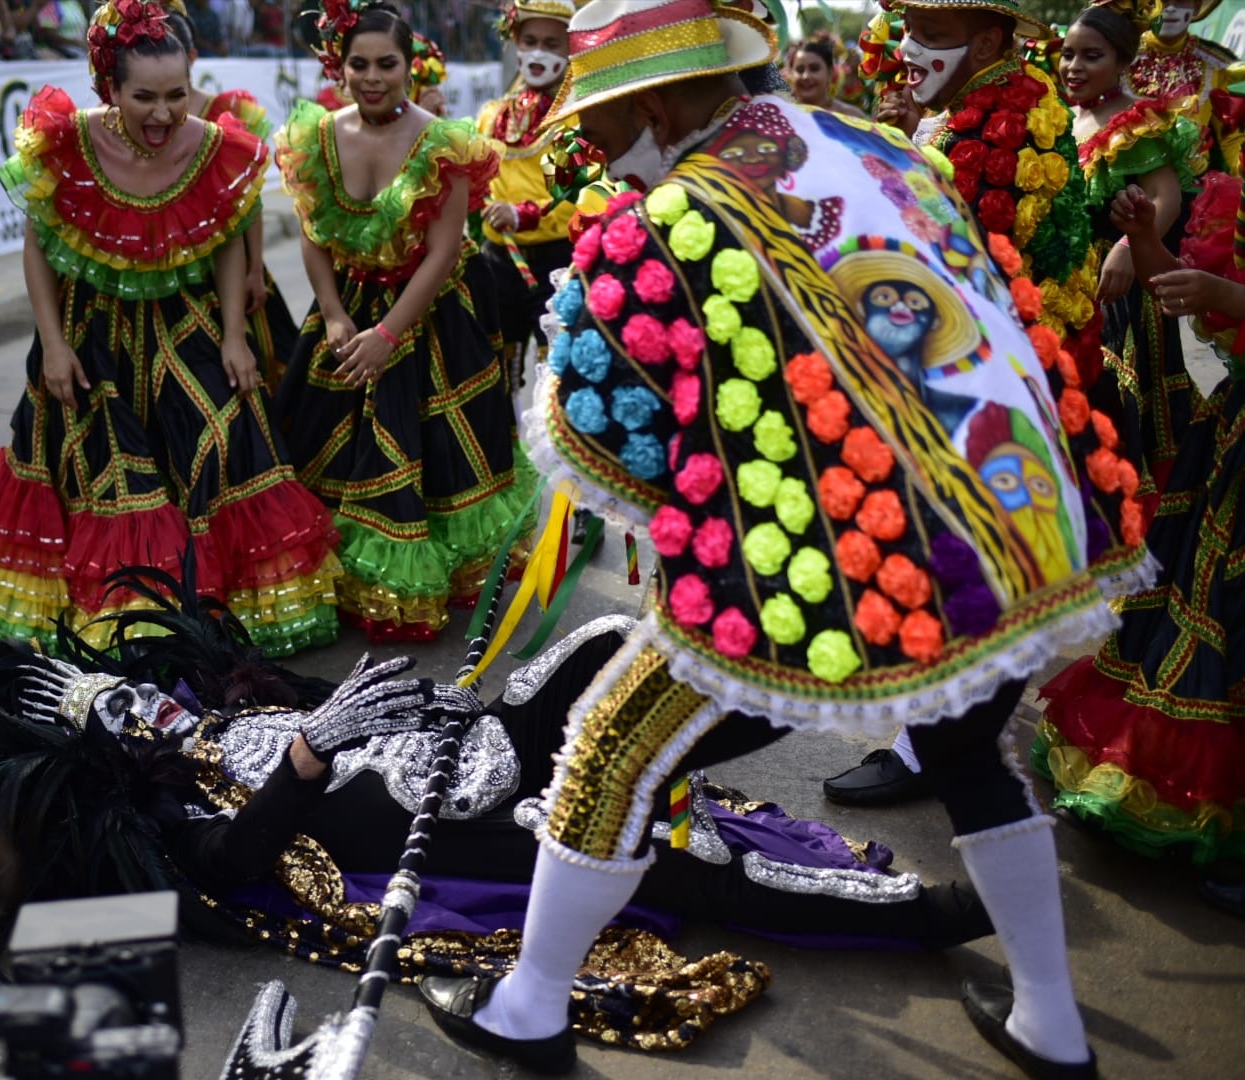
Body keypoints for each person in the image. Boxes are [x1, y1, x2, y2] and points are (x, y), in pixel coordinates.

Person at [416, 3, 1141, 1076]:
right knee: (969, 757)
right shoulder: (872, 142)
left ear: (657, 101)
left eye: (601, 120)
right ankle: (1051, 1022)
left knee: (612, 749)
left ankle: (525, 1009)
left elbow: (593, 432)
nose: (589, 147)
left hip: (821, 581)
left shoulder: (656, 220)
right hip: (1011, 543)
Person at [0, 594, 996, 1053]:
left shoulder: (214, 702)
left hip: (471, 741)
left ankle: (846, 668)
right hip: (457, 826)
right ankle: (930, 910)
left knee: (604, 646)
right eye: (117, 716)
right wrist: (308, 753)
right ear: (95, 759)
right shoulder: (160, 813)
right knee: (661, 851)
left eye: (125, 688)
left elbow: (352, 702)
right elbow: (227, 863)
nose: (142, 706)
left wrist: (380, 709)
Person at [0, 0, 342, 661]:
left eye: (177, 95)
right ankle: (125, 603)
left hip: (184, 322)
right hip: (89, 334)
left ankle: (212, 595)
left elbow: (224, 240)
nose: (164, 115)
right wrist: (51, 344)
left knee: (222, 434)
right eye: (144, 98)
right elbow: (38, 250)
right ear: (109, 88)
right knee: (109, 471)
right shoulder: (65, 140)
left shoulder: (212, 144)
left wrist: (232, 335)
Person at [823, 0, 1126, 808]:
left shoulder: (1011, 119)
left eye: (937, 31)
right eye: (910, 26)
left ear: (990, 39)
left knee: (965, 558)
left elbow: (962, 257)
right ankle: (942, 731)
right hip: (979, 370)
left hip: (996, 382)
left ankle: (937, 749)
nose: (914, 45)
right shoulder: (971, 107)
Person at [272, 0, 536, 643]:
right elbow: (313, 236)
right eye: (357, 63)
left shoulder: (441, 140)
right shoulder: (317, 136)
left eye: (386, 63)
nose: (371, 77)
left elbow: (445, 252)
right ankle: (345, 575)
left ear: (408, 64)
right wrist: (333, 316)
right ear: (339, 65)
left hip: (435, 313)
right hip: (347, 308)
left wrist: (389, 335)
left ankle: (418, 580)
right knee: (320, 439)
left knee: (434, 450)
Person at [1034, 162, 1245, 914]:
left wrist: (1227, 297)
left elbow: (1224, 301)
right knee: (1212, 611)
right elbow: (1195, 304)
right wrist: (1146, 240)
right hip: (1228, 447)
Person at [1064, 1, 1206, 503]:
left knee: (1132, 397)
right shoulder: (1063, 120)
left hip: (1128, 289)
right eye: (1068, 54)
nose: (1074, 67)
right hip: (1075, 281)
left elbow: (1165, 197)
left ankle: (1145, 511)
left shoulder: (1133, 119)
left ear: (1123, 63)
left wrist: (1127, 248)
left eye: (1091, 56)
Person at [165, 1, 300, 392]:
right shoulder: (138, 116)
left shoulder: (224, 114)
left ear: (190, 55)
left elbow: (249, 203)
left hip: (229, 259)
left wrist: (254, 268)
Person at [475, 1, 577, 397]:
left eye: (552, 43)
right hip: (499, 257)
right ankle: (506, 443)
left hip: (556, 260)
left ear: (571, 50)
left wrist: (523, 215)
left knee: (556, 366)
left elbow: (573, 194)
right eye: (530, 40)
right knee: (499, 363)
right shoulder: (491, 116)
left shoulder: (575, 118)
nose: (538, 52)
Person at [1128, 0, 1244, 175]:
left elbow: (1231, 137)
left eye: (1180, 0)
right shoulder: (1120, 55)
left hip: (1192, 186)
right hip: (1127, 184)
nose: (1171, 8)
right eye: (1163, 1)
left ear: (1196, 7)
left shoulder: (1216, 64)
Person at [783, 36, 867, 118]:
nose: (806, 76)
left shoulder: (851, 117)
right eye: (800, 70)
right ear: (791, 74)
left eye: (814, 69)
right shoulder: (781, 115)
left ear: (830, 73)